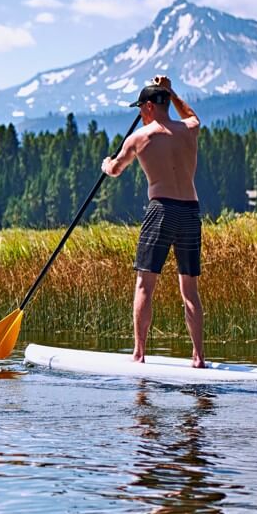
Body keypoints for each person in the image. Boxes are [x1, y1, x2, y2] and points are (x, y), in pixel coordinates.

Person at [100, 76, 205, 368]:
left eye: (141, 108)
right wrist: (170, 92)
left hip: (160, 210)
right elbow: (193, 116)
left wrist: (106, 164)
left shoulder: (139, 138)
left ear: (148, 106)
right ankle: (198, 358)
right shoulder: (189, 130)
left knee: (145, 285)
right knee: (190, 290)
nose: (140, 113)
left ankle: (139, 353)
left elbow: (116, 169)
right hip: (190, 211)